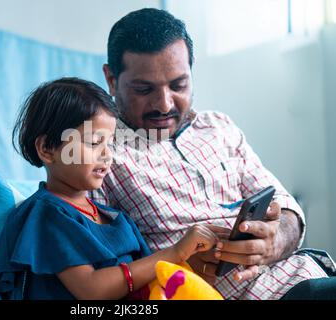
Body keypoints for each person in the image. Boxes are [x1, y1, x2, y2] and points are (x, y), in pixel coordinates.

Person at [90, 8, 336, 300]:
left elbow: (286, 207)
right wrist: (178, 263)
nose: (164, 104)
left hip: (306, 275)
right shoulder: (97, 154)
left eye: (178, 85)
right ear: (111, 78)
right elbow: (101, 278)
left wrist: (276, 239)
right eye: (144, 89)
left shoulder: (218, 127)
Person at [0, 77, 223, 300]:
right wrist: (175, 253)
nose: (108, 155)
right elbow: (92, 289)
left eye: (110, 143)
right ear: (47, 148)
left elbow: (150, 274)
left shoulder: (115, 218)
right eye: (94, 142)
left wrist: (192, 265)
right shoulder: (47, 214)